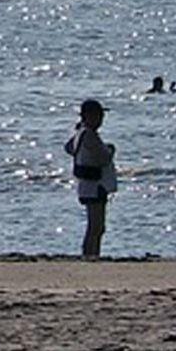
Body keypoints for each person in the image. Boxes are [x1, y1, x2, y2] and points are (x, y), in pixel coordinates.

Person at [64, 99, 116, 259]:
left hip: (88, 185)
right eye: (98, 116)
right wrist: (111, 150)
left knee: (95, 226)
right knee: (96, 226)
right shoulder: (90, 135)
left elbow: (69, 148)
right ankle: (91, 255)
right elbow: (104, 158)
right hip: (95, 185)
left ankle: (91, 254)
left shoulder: (81, 133)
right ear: (88, 116)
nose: (100, 120)